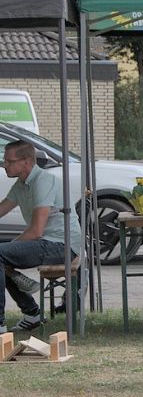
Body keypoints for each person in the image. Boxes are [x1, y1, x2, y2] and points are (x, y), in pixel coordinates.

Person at [0, 141, 81, 334]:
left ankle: (2, 323)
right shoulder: (21, 185)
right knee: (2, 255)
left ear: (26, 162)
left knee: (2, 253)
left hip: (62, 246)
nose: (5, 166)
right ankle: (32, 314)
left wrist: (9, 248)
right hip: (46, 242)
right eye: (4, 161)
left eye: (9, 161)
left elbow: (36, 230)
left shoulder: (43, 181)